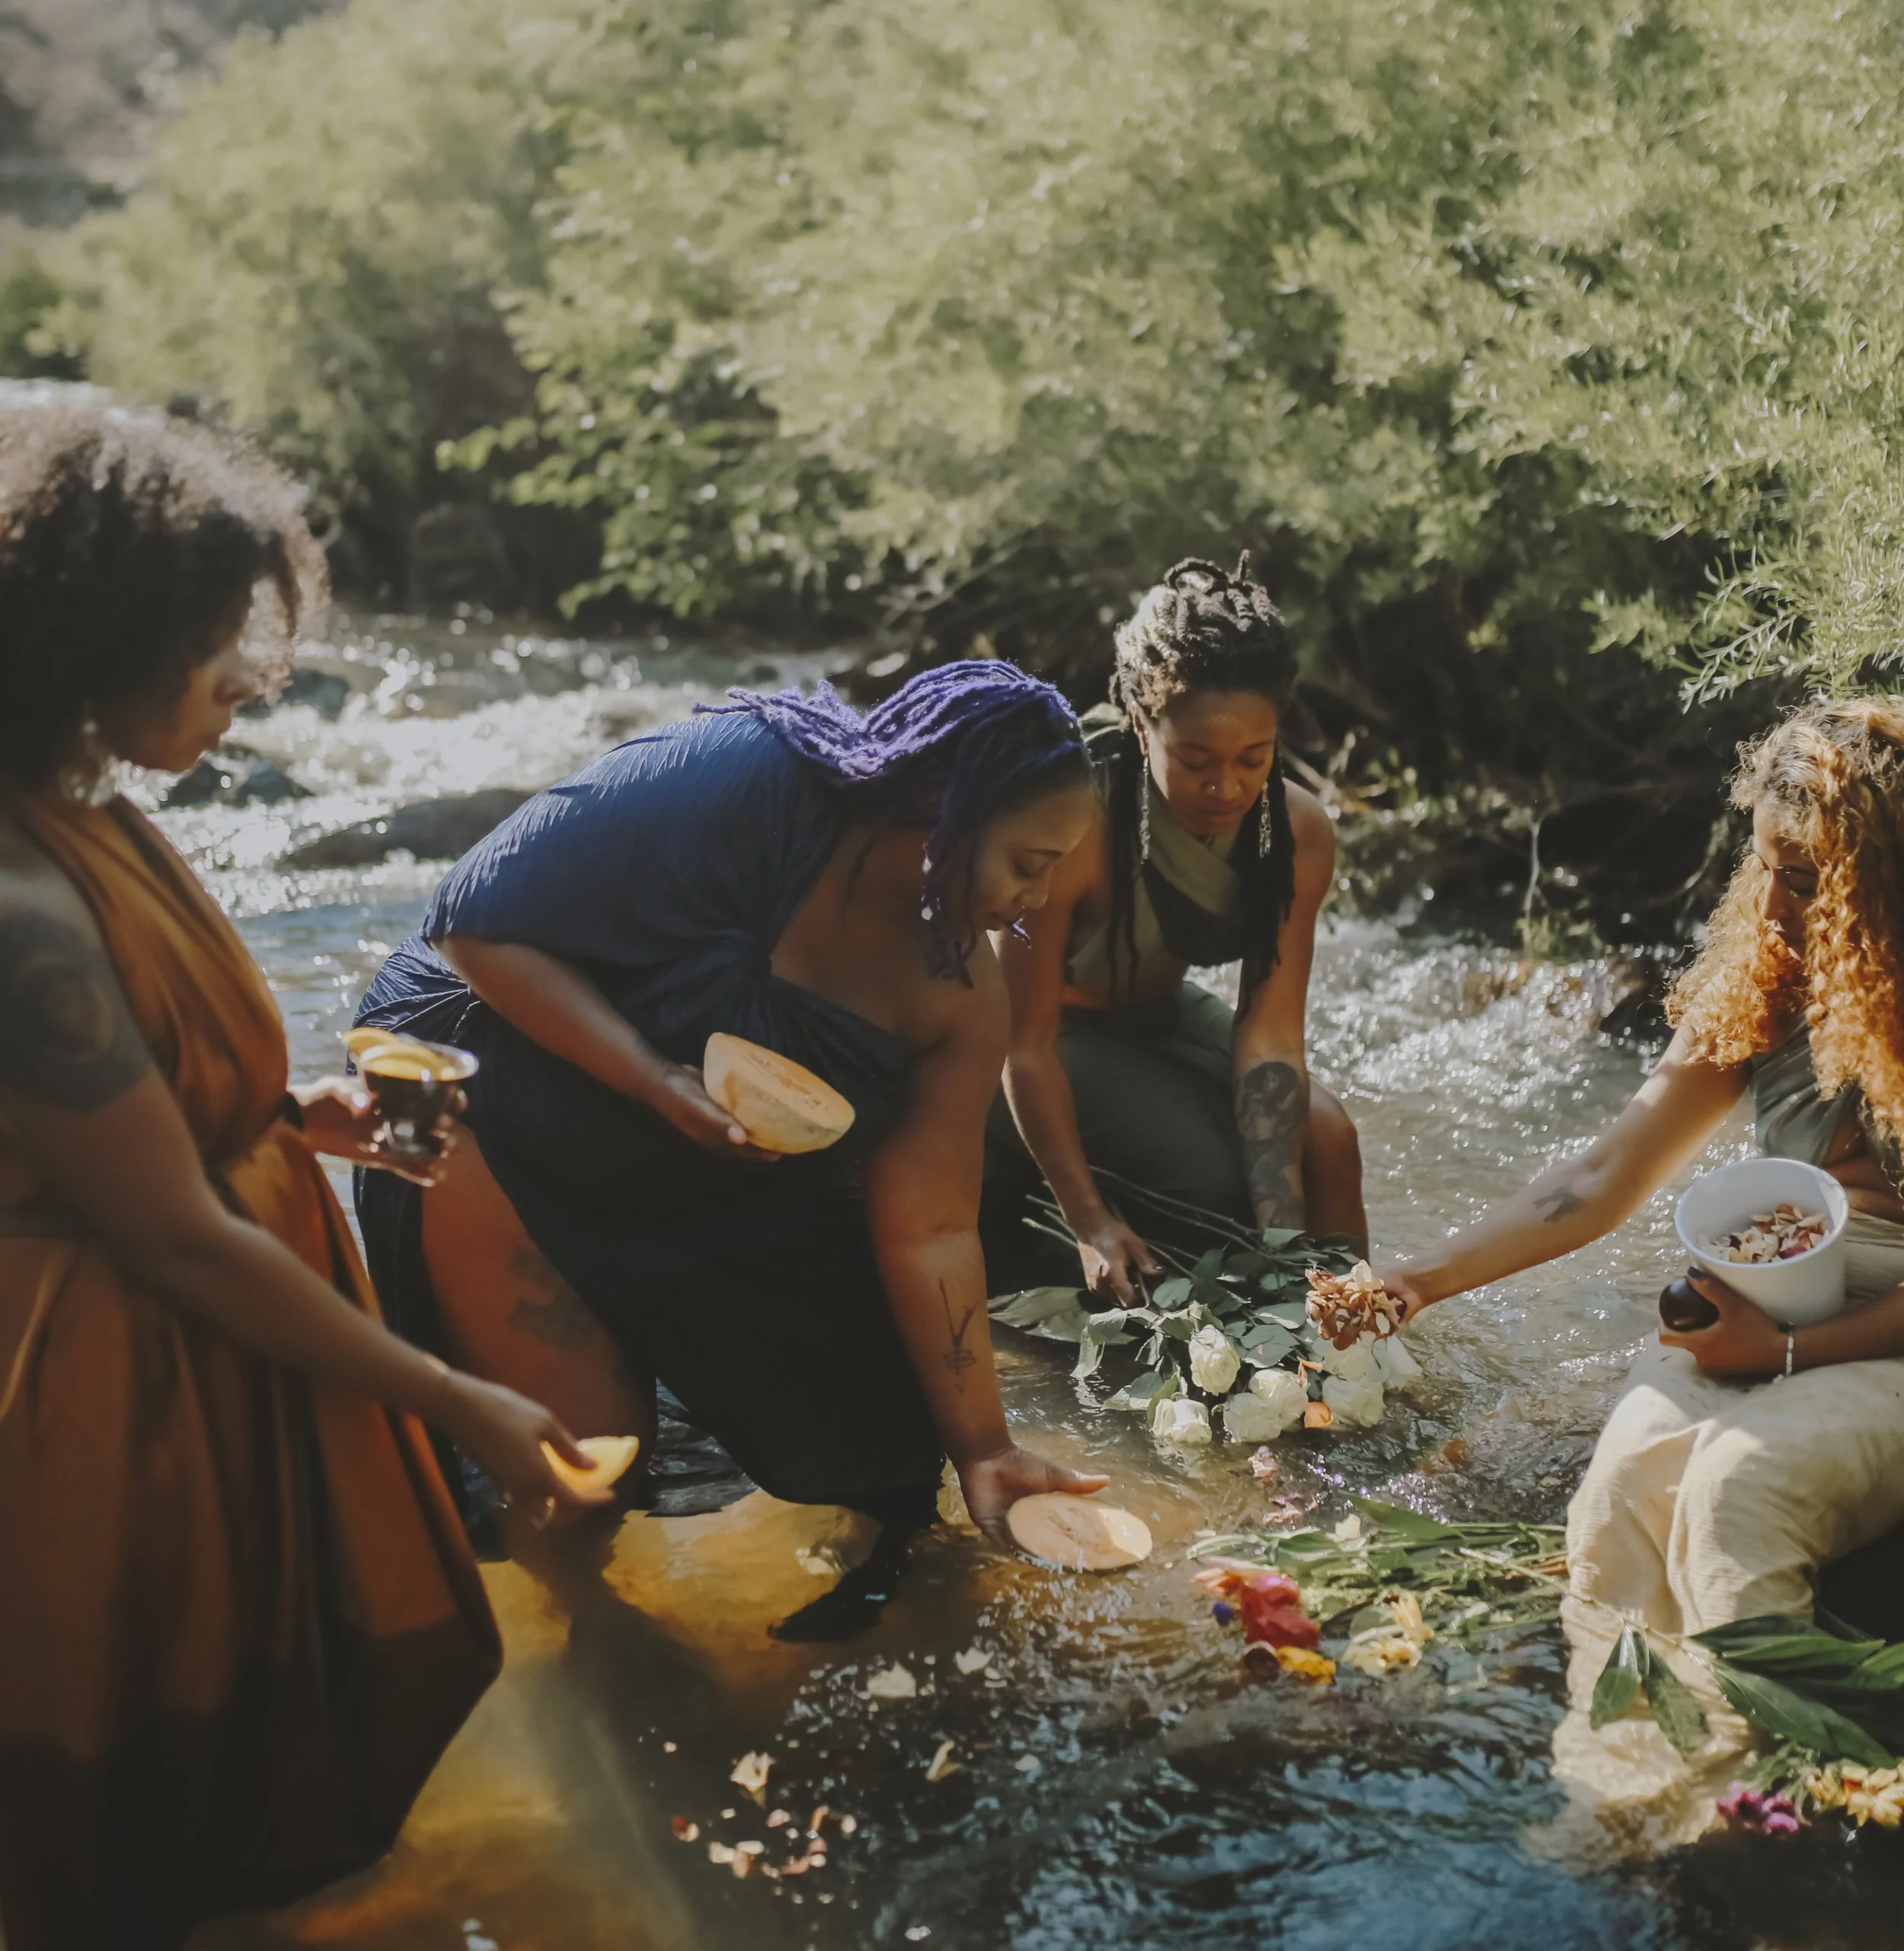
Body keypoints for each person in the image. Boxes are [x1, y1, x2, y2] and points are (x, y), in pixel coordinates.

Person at [0, 404, 603, 1951]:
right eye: (211, 650)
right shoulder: (20, 908)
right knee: (116, 1774)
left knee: (226, 1733)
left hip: (215, 1351)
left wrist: (296, 1124)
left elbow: (124, 1129)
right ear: (87, 646)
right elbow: (173, 1240)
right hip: (109, 1402)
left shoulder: (99, 813)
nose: (248, 683)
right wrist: (458, 1398)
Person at [352, 664, 1110, 1542]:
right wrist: (653, 1079)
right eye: (1028, 864)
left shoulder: (962, 993)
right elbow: (470, 919)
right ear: (945, 804)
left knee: (887, 1446)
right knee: (590, 1485)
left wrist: (984, 1443)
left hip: (667, 1150)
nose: (1039, 901)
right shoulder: (745, 771)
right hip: (489, 1072)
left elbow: (933, 1225)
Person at [1381, 701, 1904, 1638]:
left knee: (1735, 1495)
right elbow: (1603, 1172)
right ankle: (1619, 1774)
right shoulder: (1766, 979)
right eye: (1765, 869)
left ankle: (1750, 1776)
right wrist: (1411, 1285)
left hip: (1885, 1342)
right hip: (1764, 1309)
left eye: (1806, 879)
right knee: (1618, 1490)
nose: (1775, 905)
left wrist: (1778, 1357)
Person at [987, 559, 1365, 1306]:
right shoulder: (1073, 820)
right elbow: (1018, 1044)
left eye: (1252, 759)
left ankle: (1351, 1328)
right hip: (1045, 1033)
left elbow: (1272, 1036)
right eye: (1194, 761)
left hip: (1157, 1012)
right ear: (1140, 724)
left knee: (1327, 1136)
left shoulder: (1298, 833)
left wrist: (1284, 1247)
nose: (1224, 788)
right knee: (1207, 1175)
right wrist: (1090, 1220)